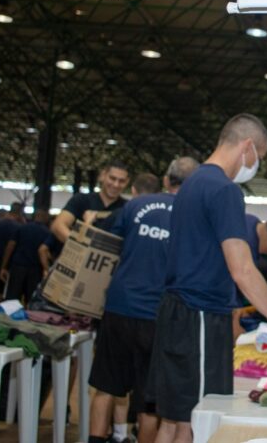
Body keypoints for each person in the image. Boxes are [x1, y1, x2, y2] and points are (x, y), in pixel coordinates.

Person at [148, 114, 267, 443]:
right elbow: (242, 270)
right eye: (261, 156)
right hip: (199, 316)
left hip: (177, 313)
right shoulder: (224, 190)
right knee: (195, 422)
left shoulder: (192, 184)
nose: (259, 164)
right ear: (247, 147)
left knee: (171, 422)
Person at [89, 157, 200, 443]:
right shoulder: (193, 216)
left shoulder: (135, 205)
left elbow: (109, 245)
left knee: (106, 387)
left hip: (119, 306)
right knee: (150, 402)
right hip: (158, 316)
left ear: (166, 180)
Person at [51, 161, 130, 242]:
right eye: (112, 178)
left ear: (127, 182)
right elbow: (58, 225)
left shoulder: (128, 208)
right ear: (103, 176)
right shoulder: (81, 199)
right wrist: (78, 244)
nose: (116, 184)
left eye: (121, 181)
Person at [1, 210, 51, 303]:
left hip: (18, 267)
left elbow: (10, 246)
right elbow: (46, 252)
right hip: (35, 270)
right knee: (31, 299)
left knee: (12, 299)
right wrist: (47, 268)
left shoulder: (22, 228)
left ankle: (10, 316)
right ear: (46, 219)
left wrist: (4, 266)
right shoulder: (47, 232)